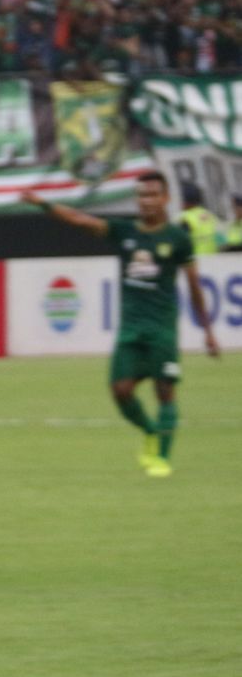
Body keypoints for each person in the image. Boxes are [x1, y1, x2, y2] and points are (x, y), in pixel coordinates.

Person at [22, 173, 220, 478]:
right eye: (142, 195)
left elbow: (194, 286)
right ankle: (153, 432)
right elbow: (79, 220)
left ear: (166, 199)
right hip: (130, 329)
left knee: (165, 391)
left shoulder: (178, 239)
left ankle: (162, 460)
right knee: (120, 391)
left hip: (162, 328)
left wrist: (207, 331)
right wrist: (41, 204)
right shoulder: (124, 231)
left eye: (153, 195)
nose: (147, 201)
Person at [178, 181, 223, 256]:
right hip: (215, 258)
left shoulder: (185, 217)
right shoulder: (210, 215)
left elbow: (181, 243)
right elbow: (221, 239)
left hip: (197, 259)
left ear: (186, 201)